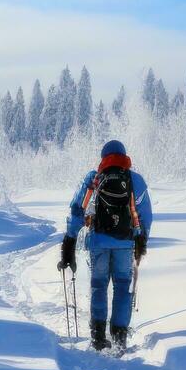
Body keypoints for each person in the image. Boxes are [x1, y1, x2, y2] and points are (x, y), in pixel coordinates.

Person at [58, 139, 153, 352]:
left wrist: (69, 240)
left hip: (98, 241)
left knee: (98, 286)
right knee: (122, 286)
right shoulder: (134, 180)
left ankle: (98, 337)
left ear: (103, 158)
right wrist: (142, 239)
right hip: (125, 242)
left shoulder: (94, 179)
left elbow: (77, 209)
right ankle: (119, 338)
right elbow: (145, 214)